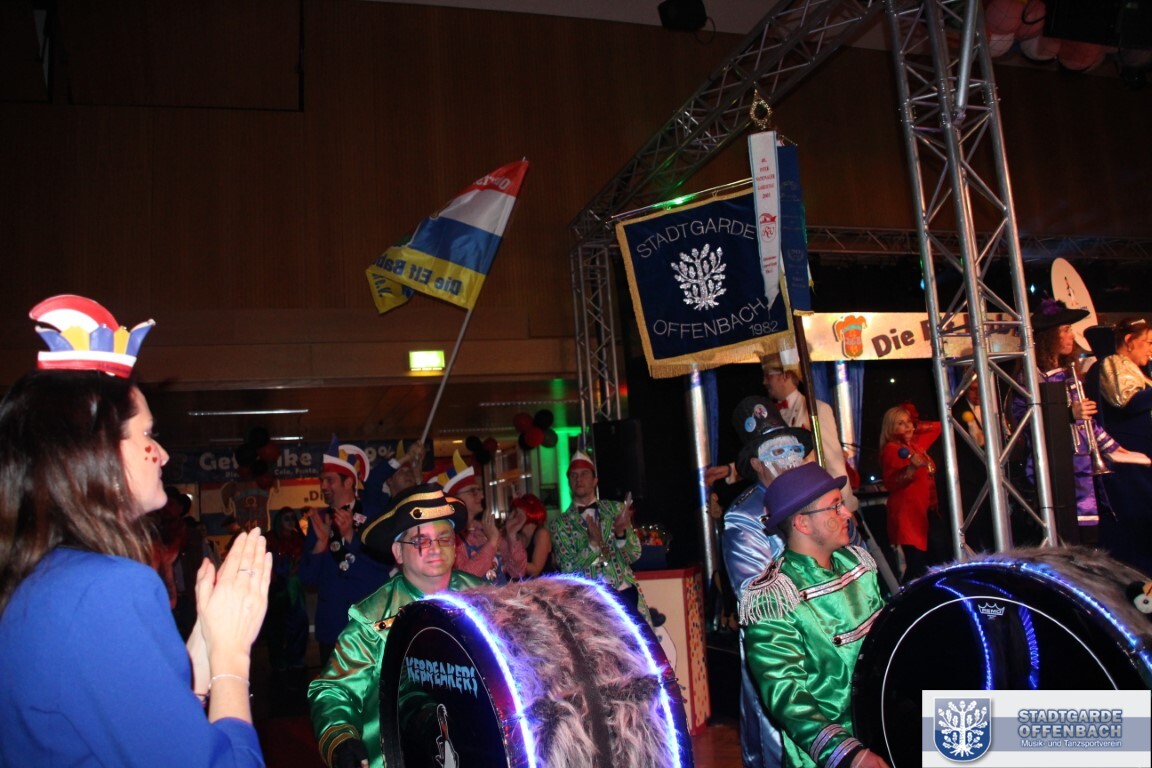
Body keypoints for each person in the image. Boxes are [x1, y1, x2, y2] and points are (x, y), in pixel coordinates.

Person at [0, 294, 271, 767]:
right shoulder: (103, 588)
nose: (162, 454)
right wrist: (232, 659)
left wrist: (202, 650)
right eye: (147, 435)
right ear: (98, 452)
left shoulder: (47, 577)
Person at [307, 483, 482, 768]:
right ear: (398, 553)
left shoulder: (485, 599)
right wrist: (340, 738)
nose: (436, 548)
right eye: (421, 541)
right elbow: (334, 690)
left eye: (444, 538)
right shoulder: (372, 619)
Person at [740, 462, 889, 768]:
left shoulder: (857, 564)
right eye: (835, 506)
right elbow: (787, 696)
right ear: (803, 524)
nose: (846, 514)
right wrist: (847, 754)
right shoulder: (774, 597)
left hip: (884, 729)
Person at [722, 396, 814, 768]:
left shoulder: (818, 497)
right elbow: (758, 598)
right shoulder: (743, 518)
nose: (790, 458)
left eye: (794, 449)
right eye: (777, 451)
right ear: (757, 463)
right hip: (781, 655)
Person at [1010, 300, 1145, 540]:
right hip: (1055, 470)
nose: (1072, 336)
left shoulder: (1069, 375)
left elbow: (1087, 424)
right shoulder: (1030, 378)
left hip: (1081, 467)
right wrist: (1067, 414)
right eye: (1065, 330)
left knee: (1088, 537)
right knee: (1065, 537)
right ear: (1049, 336)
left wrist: (1113, 448)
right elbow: (1024, 420)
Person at [708, 353, 859, 514]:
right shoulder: (772, 415)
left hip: (816, 505)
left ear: (785, 375)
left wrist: (844, 507)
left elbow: (834, 463)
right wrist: (730, 470)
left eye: (768, 376)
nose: (764, 382)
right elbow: (769, 459)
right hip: (785, 503)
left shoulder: (817, 410)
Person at [299, 438, 394, 664]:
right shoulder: (319, 520)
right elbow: (307, 579)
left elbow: (386, 564)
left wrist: (351, 536)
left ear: (349, 481)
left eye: (329, 480)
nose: (323, 486)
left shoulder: (374, 515)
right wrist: (321, 544)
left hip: (369, 623)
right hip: (332, 627)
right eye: (322, 480)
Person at [550, 451, 649, 621]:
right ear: (569, 482)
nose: (578, 479)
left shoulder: (615, 510)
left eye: (584, 474)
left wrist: (620, 534)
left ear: (595, 480)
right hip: (591, 604)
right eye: (573, 475)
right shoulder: (560, 524)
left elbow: (634, 555)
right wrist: (592, 545)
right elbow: (567, 569)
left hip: (625, 593)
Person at [1096, 317, 1152, 574]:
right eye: (1148, 343)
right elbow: (1127, 401)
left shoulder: (1140, 370)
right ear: (1129, 341)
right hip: (1129, 462)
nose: (1150, 350)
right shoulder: (1113, 363)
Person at [879, 404, 943, 582]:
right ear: (891, 427)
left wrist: (915, 423)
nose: (907, 426)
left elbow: (940, 426)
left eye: (908, 422)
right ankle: (907, 597)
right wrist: (911, 469)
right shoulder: (892, 449)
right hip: (909, 515)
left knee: (933, 561)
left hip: (925, 512)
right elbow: (891, 483)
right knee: (918, 566)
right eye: (901, 423)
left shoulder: (916, 446)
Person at [444, 457, 527, 583]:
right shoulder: (451, 537)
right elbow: (463, 579)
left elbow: (518, 572)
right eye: (473, 491)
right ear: (454, 498)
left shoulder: (484, 530)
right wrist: (492, 543)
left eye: (479, 490)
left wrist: (511, 535)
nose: (481, 496)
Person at [510, 492, 556, 577]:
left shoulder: (542, 534)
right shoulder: (517, 535)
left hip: (544, 583)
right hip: (524, 584)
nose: (513, 517)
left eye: (517, 513)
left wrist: (512, 564)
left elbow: (535, 570)